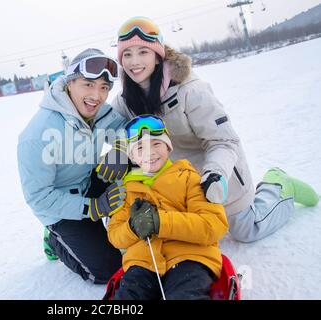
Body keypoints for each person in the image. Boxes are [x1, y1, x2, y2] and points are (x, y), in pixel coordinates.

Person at [98, 16, 319, 243]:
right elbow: (107, 130)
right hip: (176, 184)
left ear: (157, 55)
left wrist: (215, 174)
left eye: (143, 52)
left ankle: (279, 184)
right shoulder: (125, 101)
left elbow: (224, 141)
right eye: (127, 54)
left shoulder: (190, 91)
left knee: (247, 231)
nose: (134, 61)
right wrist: (118, 151)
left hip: (214, 174)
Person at [17, 48, 128, 284]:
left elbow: (123, 129)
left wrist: (120, 149)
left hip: (88, 183)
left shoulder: (99, 113)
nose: (96, 96)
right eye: (88, 84)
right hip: (61, 208)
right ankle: (56, 241)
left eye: (104, 88)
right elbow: (39, 197)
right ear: (70, 82)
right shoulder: (38, 134)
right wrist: (93, 207)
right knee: (108, 272)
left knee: (134, 163)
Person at [107, 115, 228, 300]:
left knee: (184, 295)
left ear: (168, 146)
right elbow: (115, 236)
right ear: (133, 156)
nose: (150, 153)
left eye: (156, 144)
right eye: (140, 148)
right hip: (143, 262)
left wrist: (160, 221)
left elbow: (213, 225)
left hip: (189, 257)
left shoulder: (188, 178)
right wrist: (133, 227)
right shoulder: (126, 191)